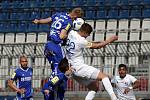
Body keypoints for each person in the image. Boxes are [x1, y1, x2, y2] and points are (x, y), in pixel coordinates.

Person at [33, 8, 83, 99]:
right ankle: (48, 87)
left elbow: (48, 20)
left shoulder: (59, 14)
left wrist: (39, 21)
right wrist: (71, 35)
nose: (75, 21)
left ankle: (54, 92)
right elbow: (62, 36)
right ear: (75, 16)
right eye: (76, 19)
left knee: (56, 69)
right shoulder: (69, 22)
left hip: (48, 45)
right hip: (56, 46)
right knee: (61, 70)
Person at [66, 23, 118, 100]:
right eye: (88, 34)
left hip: (72, 69)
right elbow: (97, 46)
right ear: (84, 32)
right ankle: (114, 98)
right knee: (104, 77)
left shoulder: (71, 33)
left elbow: (93, 43)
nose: (88, 36)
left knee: (94, 87)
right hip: (79, 67)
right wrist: (109, 40)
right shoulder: (81, 41)